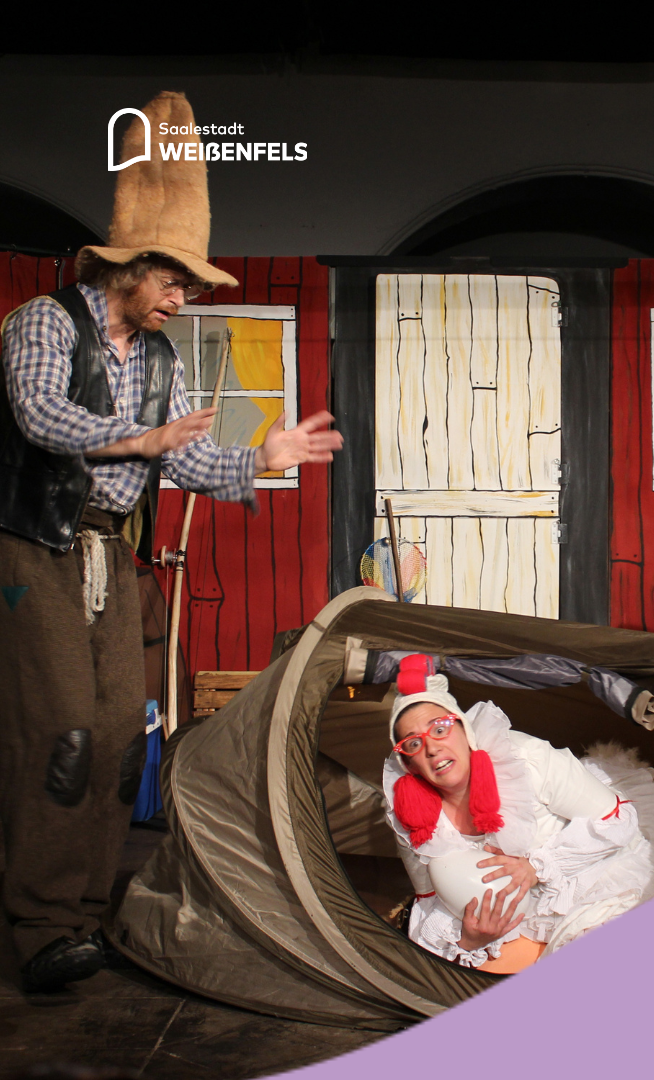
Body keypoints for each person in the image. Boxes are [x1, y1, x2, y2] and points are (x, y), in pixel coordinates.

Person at [0, 91, 343, 994]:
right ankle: (38, 923)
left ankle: (83, 914)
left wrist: (259, 459)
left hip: (110, 555)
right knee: (62, 735)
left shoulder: (160, 357)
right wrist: (138, 439)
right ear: (132, 267)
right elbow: (40, 415)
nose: (184, 298)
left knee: (120, 738)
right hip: (35, 549)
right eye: (175, 282)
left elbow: (184, 459)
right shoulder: (45, 322)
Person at [382, 656, 654, 972]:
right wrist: (469, 941)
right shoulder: (409, 813)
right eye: (413, 743)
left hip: (592, 870)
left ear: (463, 729)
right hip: (520, 912)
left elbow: (618, 820)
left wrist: (536, 867)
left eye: (440, 728)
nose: (432, 747)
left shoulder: (523, 759)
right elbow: (430, 899)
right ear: (408, 764)